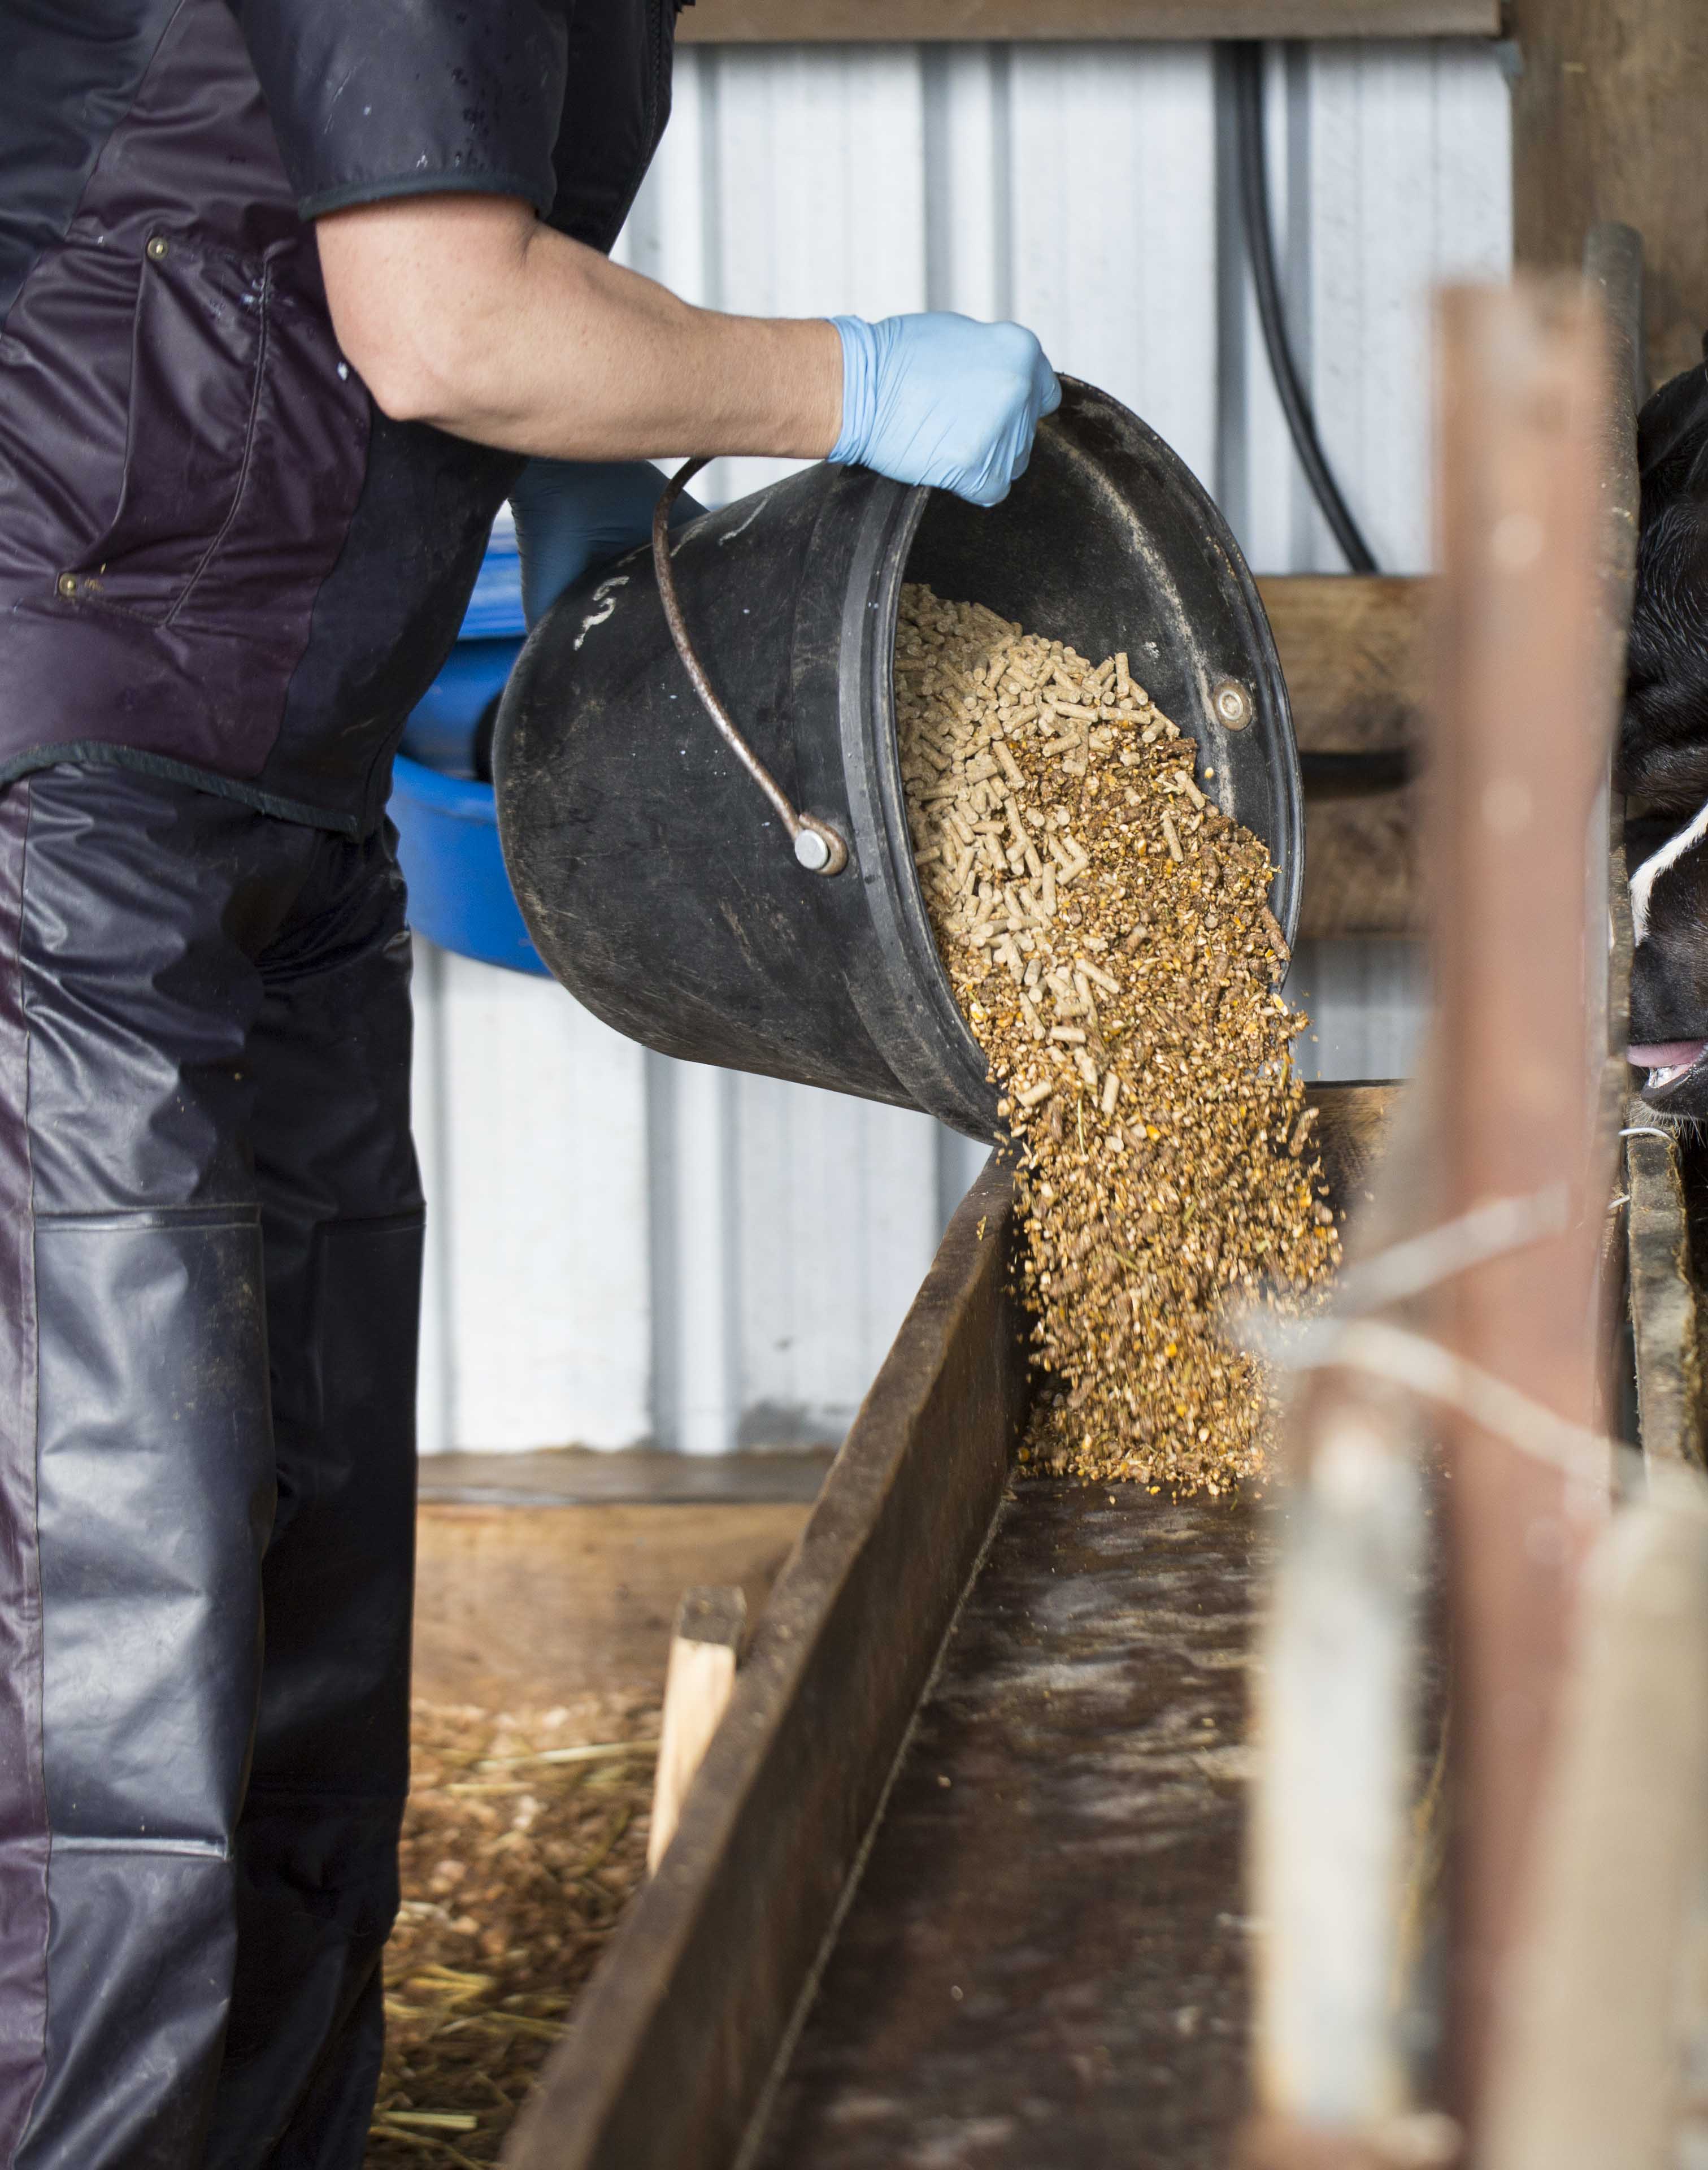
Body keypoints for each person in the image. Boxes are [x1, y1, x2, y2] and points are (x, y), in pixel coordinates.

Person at [0, 5, 1058, 2162]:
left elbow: (483, 261)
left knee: (288, 1600)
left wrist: (586, 522)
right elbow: (444, 320)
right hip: (64, 780)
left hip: (269, 778)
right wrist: (852, 382)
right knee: (100, 1654)